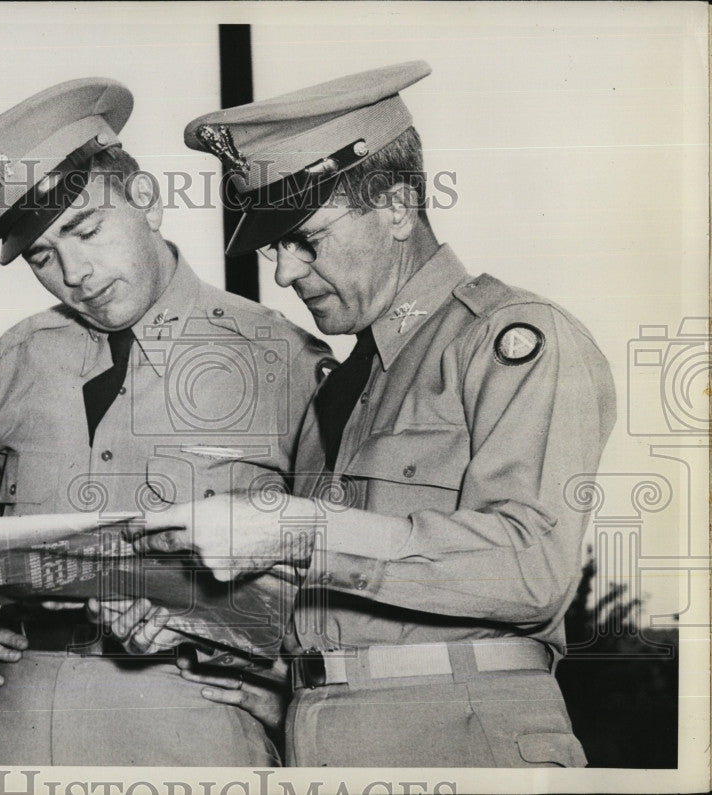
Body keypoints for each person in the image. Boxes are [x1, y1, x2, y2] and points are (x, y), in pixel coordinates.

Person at [137, 61, 617, 767]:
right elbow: (348, 602)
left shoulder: (510, 338)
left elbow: (532, 563)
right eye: (274, 247)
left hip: (464, 740)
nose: (285, 273)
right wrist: (252, 661)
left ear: (395, 207)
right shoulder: (339, 387)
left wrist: (303, 528)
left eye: (307, 238)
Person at [0, 78, 330, 765]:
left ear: (146, 201)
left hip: (195, 720)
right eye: (42, 257)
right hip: (24, 722)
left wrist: (297, 688)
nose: (73, 272)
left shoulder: (283, 357)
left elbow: (344, 555)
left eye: (85, 229)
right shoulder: (16, 359)